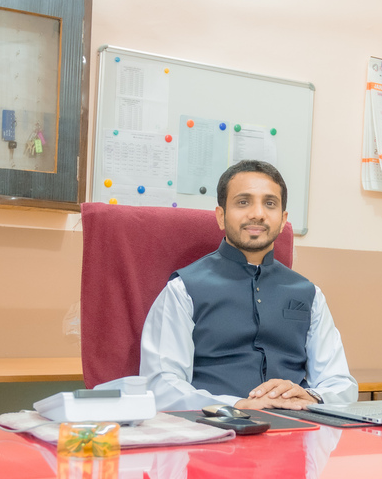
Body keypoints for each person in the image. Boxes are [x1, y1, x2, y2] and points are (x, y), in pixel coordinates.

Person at [140, 160, 358, 411]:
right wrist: (238, 405)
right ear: (221, 216)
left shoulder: (309, 294)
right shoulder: (183, 290)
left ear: (283, 219)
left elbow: (341, 384)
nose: (257, 213)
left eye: (270, 203)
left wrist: (311, 396)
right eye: (243, 202)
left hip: (299, 426)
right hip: (215, 426)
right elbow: (161, 386)